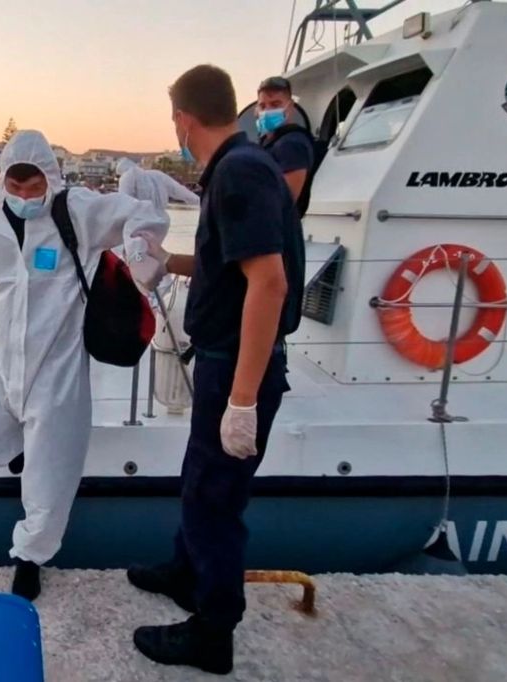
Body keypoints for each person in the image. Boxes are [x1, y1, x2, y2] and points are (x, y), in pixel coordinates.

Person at [128, 64, 304, 675]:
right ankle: (186, 572)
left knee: (216, 499)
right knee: (200, 479)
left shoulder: (238, 174)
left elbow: (269, 283)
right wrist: (166, 259)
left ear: (182, 116)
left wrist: (243, 400)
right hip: (224, 361)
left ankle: (213, 632)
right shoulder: (242, 165)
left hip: (237, 367)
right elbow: (231, 266)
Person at [0, 130, 168, 601]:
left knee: (50, 475)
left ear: (50, 179)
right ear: (2, 180)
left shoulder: (79, 211)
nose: (26, 198)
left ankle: (30, 557)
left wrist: (138, 249)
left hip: (59, 363)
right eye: (16, 188)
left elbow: (145, 215)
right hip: (4, 358)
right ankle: (21, 447)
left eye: (35, 188)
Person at [256, 76, 315, 216]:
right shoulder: (268, 142)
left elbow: (284, 202)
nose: (267, 110)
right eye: (263, 106)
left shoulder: (292, 144)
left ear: (290, 107)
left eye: (275, 104)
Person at [116, 158, 200, 217]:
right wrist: (201, 201)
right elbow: (178, 190)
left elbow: (124, 201)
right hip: (160, 222)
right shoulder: (157, 174)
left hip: (138, 221)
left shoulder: (126, 177)